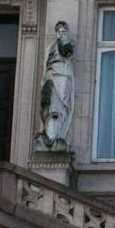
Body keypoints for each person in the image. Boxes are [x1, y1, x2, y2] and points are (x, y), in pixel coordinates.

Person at [37, 21, 75, 150]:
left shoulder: (68, 45)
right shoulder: (50, 47)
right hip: (50, 76)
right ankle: (48, 134)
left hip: (62, 77)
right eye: (59, 32)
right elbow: (46, 64)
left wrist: (61, 41)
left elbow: (65, 52)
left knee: (58, 107)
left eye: (63, 32)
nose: (61, 34)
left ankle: (55, 136)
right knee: (47, 105)